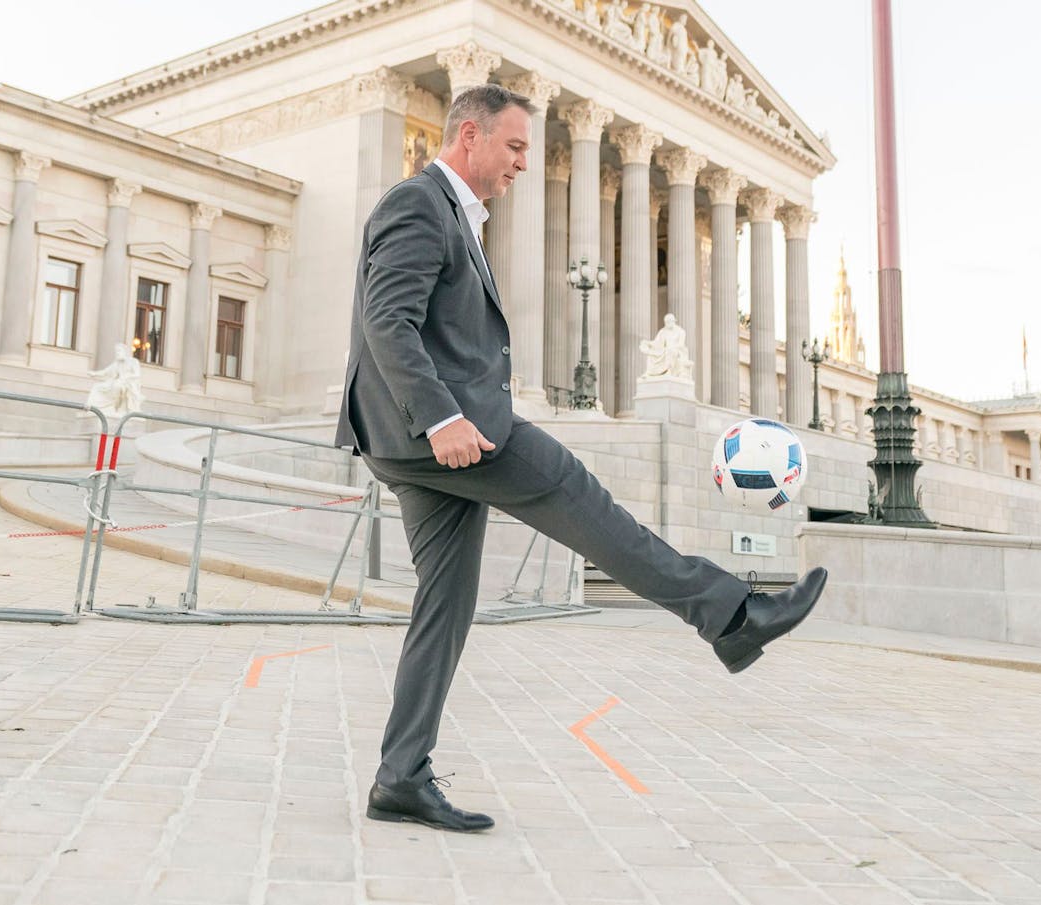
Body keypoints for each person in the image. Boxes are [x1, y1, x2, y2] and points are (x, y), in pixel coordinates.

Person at [334, 85, 828, 833]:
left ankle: (400, 776)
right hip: (440, 432)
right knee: (584, 501)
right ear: (468, 136)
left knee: (445, 603)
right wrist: (440, 417)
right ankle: (733, 615)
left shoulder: (454, 215)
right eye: (515, 147)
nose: (524, 164)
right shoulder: (418, 204)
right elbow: (386, 321)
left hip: (417, 438)